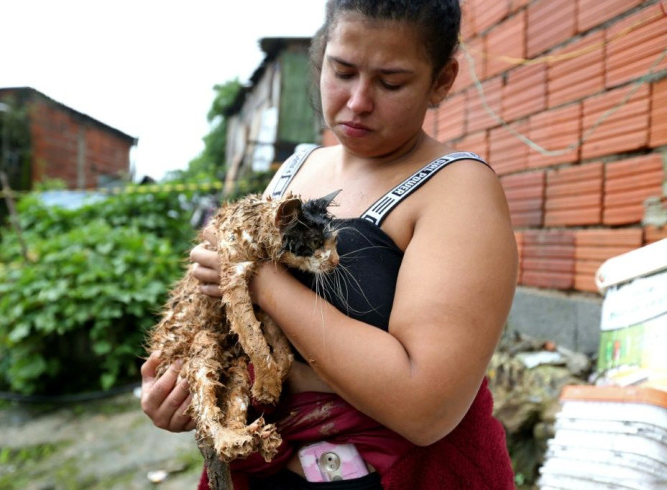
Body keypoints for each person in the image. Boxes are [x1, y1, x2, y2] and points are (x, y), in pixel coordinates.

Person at [141, 0, 518, 488]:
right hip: (269, 471)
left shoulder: (457, 190)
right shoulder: (295, 169)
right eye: (342, 71)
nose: (358, 101)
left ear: (442, 80)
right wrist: (189, 391)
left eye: (391, 82)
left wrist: (256, 280)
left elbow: (425, 408)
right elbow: (244, 339)